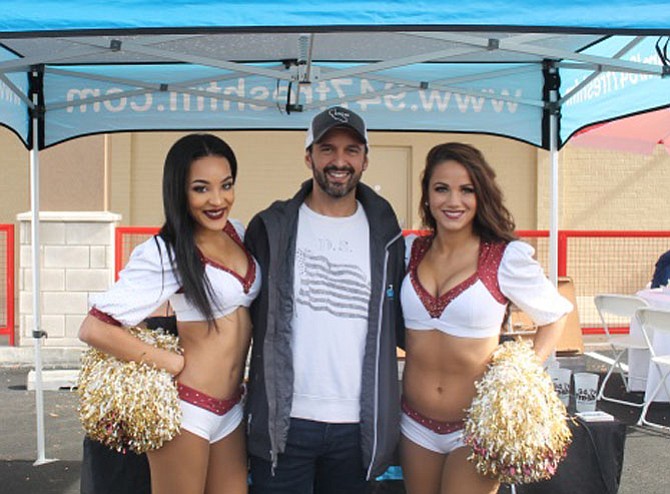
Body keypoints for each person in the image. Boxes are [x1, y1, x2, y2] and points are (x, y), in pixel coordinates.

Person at [78, 133, 260, 494]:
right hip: (186, 410)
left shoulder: (237, 233)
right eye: (201, 188)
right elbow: (95, 328)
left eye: (226, 185)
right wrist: (172, 364)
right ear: (179, 190)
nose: (217, 199)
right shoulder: (165, 252)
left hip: (231, 407)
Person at [244, 106, 405, 494]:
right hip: (285, 424)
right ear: (308, 157)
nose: (339, 160)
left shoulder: (388, 236)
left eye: (352, 150)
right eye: (327, 148)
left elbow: (405, 325)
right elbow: (243, 319)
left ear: (365, 159)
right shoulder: (271, 227)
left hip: (358, 428)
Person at [399, 143, 573, 494]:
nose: (453, 201)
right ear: (427, 195)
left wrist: (520, 376)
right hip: (414, 423)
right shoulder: (409, 252)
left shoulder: (505, 257)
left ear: (481, 195)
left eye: (467, 190)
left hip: (475, 426)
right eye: (441, 188)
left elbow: (555, 316)